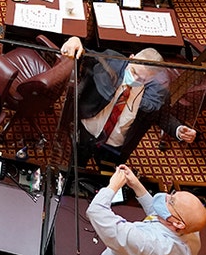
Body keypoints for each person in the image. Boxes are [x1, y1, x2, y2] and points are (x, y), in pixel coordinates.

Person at [60, 37, 196, 165]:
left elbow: (160, 115)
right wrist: (74, 40)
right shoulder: (110, 62)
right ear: (131, 59)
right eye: (134, 72)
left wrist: (178, 129)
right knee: (77, 162)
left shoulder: (156, 92)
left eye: (143, 79)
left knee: (106, 176)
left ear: (151, 79)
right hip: (87, 130)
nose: (136, 80)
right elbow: (84, 54)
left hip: (115, 145)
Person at [87, 164, 206, 255]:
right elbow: (158, 214)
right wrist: (136, 185)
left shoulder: (149, 244)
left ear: (178, 223)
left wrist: (113, 186)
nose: (166, 196)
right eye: (173, 194)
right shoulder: (190, 230)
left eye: (171, 201)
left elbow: (96, 211)